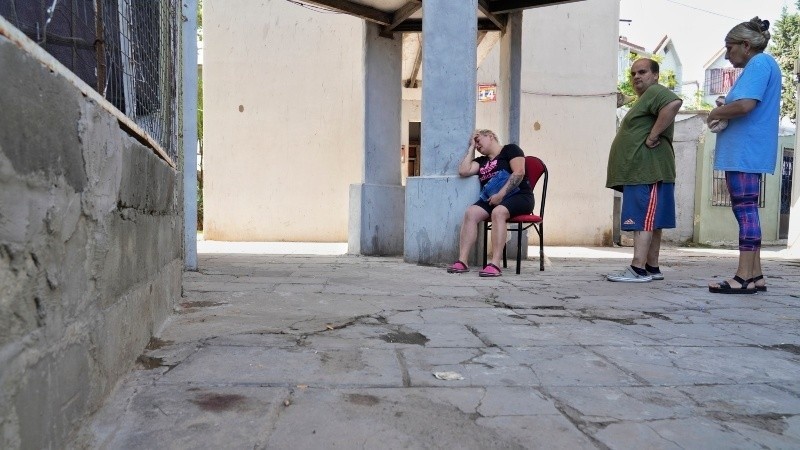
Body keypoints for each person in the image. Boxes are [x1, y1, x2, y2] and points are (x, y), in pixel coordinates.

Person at [707, 17, 780, 294]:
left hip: (745, 151)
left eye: (729, 47)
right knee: (747, 210)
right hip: (748, 149)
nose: (727, 55)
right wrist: (728, 104)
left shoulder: (759, 64)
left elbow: (746, 105)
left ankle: (743, 278)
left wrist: (716, 112)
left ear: (746, 45)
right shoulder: (763, 65)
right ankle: (756, 275)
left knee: (745, 211)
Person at [606, 58, 683, 282]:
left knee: (642, 219)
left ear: (655, 75)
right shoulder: (645, 99)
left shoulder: (656, 91)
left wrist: (652, 135)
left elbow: (673, 103)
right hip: (646, 170)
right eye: (633, 74)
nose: (636, 77)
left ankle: (637, 269)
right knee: (653, 220)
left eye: (642, 72)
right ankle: (652, 267)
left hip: (647, 169)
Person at [447, 129, 534, 277]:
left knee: (498, 212)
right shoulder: (482, 162)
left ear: (491, 136)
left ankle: (495, 263)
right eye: (475, 143)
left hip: (519, 195)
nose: (477, 145)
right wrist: (470, 148)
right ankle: (462, 261)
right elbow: (463, 171)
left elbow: (519, 172)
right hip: (492, 199)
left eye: (478, 140)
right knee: (471, 212)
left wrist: (501, 195)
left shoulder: (510, 149)